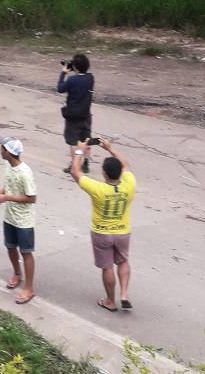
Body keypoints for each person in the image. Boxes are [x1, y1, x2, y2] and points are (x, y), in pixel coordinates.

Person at [70, 138, 135, 312]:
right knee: (123, 261)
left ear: (104, 174)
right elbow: (126, 164)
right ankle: (124, 295)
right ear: (120, 172)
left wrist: (79, 151)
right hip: (123, 232)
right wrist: (110, 148)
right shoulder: (129, 185)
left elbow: (75, 172)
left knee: (107, 267)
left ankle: (110, 301)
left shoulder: (98, 189)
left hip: (101, 233)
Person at [0, 136, 37, 304]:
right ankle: (17, 273)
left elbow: (31, 198)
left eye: (2, 148)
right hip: (9, 216)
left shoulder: (25, 173)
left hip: (23, 220)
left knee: (26, 252)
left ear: (8, 152)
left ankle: (29, 288)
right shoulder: (8, 165)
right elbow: (8, 183)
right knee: (10, 247)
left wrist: (6, 197)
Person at [58, 53, 94, 173]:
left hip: (73, 116)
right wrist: (75, 68)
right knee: (86, 139)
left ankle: (74, 166)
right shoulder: (90, 78)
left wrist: (64, 72)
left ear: (75, 68)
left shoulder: (72, 80)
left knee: (73, 141)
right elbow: (83, 75)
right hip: (86, 115)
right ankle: (86, 164)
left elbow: (60, 88)